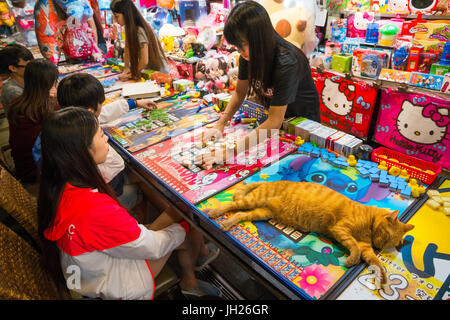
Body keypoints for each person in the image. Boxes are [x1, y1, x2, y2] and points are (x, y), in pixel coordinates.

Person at [38, 107, 222, 299]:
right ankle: (190, 281)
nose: (107, 139)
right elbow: (153, 247)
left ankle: (196, 259)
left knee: (177, 214)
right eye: (101, 135)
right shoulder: (94, 209)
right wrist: (181, 226)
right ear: (83, 151)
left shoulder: (59, 184)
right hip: (114, 283)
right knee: (187, 224)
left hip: (87, 270)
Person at [195, 1, 320, 169]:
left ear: (259, 38)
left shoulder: (286, 61)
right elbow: (240, 93)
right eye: (236, 47)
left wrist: (228, 153)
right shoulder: (250, 53)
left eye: (242, 45)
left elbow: (275, 121)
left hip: (301, 126)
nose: (239, 51)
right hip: (275, 125)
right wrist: (220, 124)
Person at [7, 58, 58, 185]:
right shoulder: (45, 109)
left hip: (22, 165)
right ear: (51, 84)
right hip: (36, 173)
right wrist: (53, 101)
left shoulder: (18, 102)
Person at [110, 0, 169, 80]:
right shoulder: (129, 28)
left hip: (159, 73)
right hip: (149, 71)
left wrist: (132, 74)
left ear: (126, 14)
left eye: (117, 16)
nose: (116, 20)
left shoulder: (138, 30)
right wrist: (126, 68)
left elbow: (144, 60)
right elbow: (127, 48)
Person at [0, 43, 34, 113]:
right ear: (13, 68)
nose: (33, 68)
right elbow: (31, 113)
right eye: (29, 65)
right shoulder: (12, 91)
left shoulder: (28, 80)